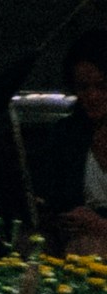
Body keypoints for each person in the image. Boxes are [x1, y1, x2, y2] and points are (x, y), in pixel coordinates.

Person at [28, 28, 107, 256]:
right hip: (75, 235)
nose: (92, 96)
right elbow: (54, 198)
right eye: (83, 87)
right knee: (31, 244)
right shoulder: (68, 133)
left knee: (90, 247)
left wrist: (100, 225)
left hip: (94, 240)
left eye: (102, 87)